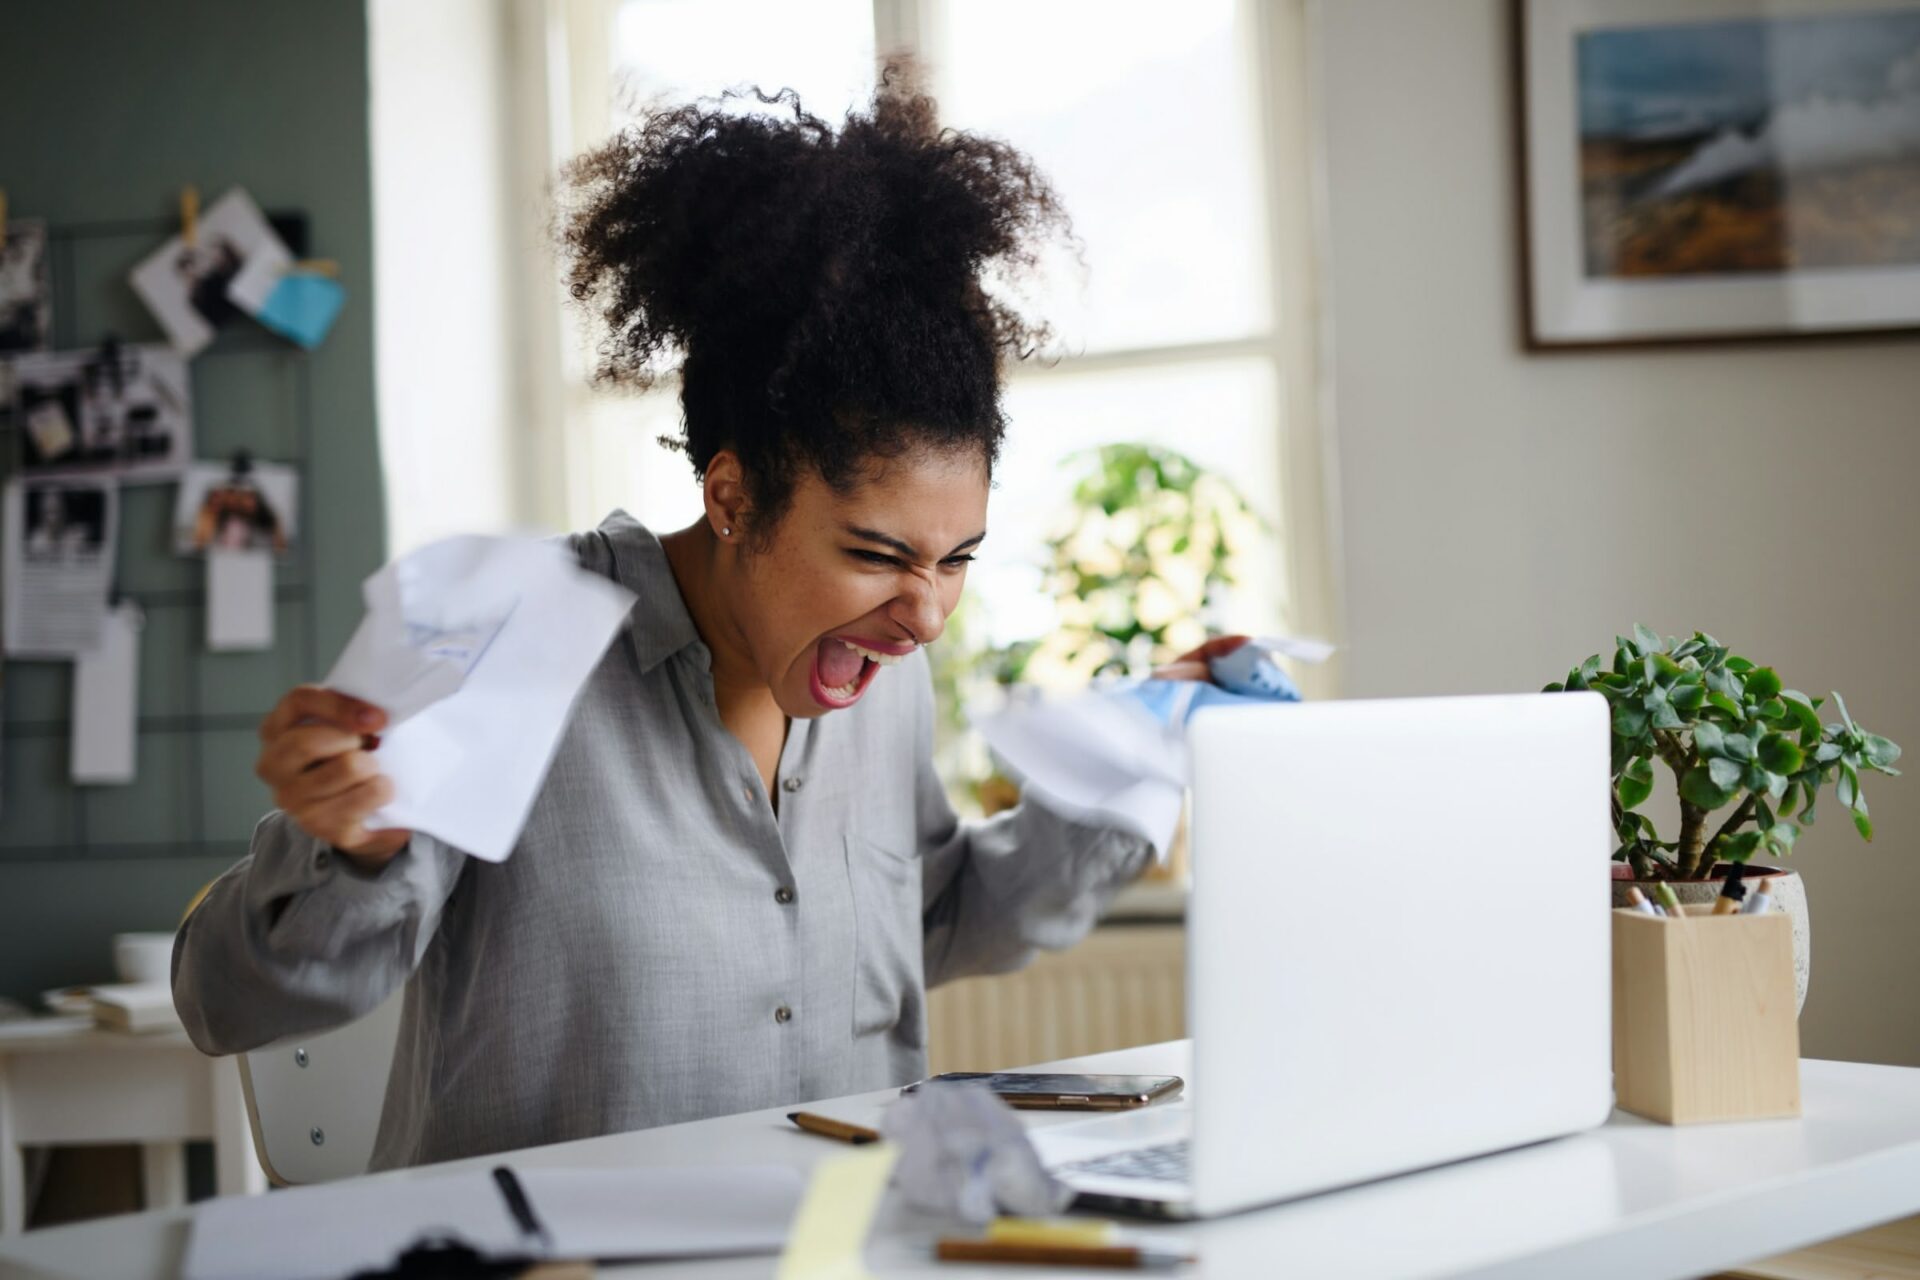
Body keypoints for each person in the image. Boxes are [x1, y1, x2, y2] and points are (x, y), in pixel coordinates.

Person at [173, 73, 1238, 1171]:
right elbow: (220, 1001)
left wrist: (1141, 755)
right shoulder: (505, 631)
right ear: (730, 497)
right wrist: (347, 849)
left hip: (829, 1246)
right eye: (876, 554)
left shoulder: (882, 675)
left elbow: (930, 921)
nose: (924, 614)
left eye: (956, 559)